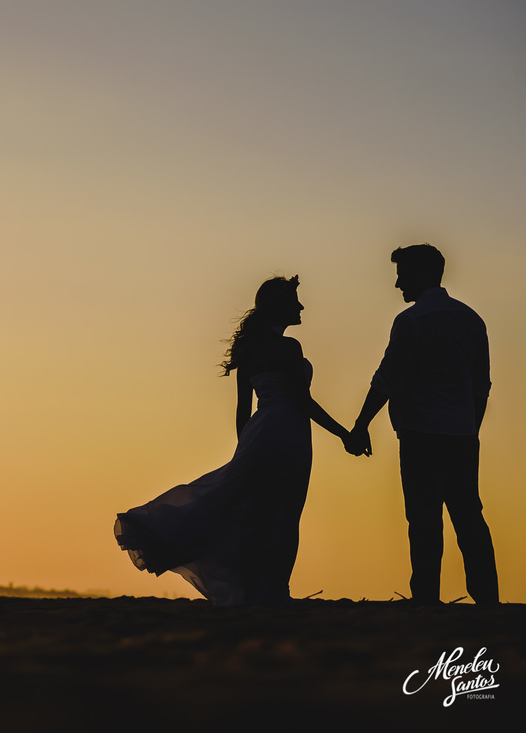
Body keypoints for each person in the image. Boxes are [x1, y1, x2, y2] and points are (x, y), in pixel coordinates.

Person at [114, 276, 351, 606]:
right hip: (288, 433)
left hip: (259, 432)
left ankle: (257, 590)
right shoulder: (288, 348)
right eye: (295, 301)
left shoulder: (250, 351)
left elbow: (243, 410)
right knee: (283, 512)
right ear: (279, 308)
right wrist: (344, 434)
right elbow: (301, 400)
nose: (301, 306)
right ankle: (275, 592)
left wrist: (244, 450)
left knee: (253, 509)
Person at [348, 244, 498, 605]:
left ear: (420, 275)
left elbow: (386, 377)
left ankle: (427, 597)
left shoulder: (412, 321)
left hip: (420, 434)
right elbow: (482, 384)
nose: (398, 285)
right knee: (468, 515)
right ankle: (487, 598)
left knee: (423, 517)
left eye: (402, 276)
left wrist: (361, 423)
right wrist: (470, 426)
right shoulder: (471, 319)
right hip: (461, 434)